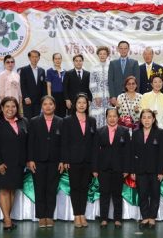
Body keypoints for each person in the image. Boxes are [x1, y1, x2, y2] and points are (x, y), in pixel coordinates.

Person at [0, 97, 28, 231]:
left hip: (18, 164)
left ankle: (8, 218)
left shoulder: (23, 121)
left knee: (12, 191)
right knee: (4, 190)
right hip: (3, 164)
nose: (10, 109)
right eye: (7, 106)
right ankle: (7, 220)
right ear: (2, 108)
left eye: (13, 106)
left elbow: (26, 142)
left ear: (17, 108)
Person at [27, 95, 64, 228]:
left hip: (55, 161)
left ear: (55, 106)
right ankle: (41, 216)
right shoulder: (34, 121)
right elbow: (30, 142)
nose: (48, 106)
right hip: (38, 161)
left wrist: (62, 160)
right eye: (45, 104)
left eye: (50, 104)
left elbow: (64, 143)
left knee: (51, 189)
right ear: (41, 107)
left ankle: (49, 216)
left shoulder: (61, 121)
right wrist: (30, 159)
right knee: (40, 188)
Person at [62, 93, 97, 228]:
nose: (82, 105)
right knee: (75, 188)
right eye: (79, 103)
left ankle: (82, 214)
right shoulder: (68, 120)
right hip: (73, 160)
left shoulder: (92, 120)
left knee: (84, 188)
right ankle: (77, 215)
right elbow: (64, 142)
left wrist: (94, 165)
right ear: (75, 105)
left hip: (87, 161)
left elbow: (94, 144)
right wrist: (65, 160)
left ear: (87, 105)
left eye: (84, 103)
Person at [92, 108, 130, 229]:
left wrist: (126, 169)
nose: (112, 118)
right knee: (104, 194)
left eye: (114, 116)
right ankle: (104, 218)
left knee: (117, 194)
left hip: (119, 168)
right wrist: (95, 169)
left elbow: (128, 152)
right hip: (103, 168)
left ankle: (118, 219)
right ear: (106, 117)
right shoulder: (99, 131)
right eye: (110, 116)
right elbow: (95, 152)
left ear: (118, 117)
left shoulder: (124, 131)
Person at [131, 109, 163, 229]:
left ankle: (152, 218)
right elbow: (132, 153)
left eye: (149, 117)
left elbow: (162, 154)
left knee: (155, 194)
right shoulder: (135, 133)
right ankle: (145, 217)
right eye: (144, 117)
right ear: (140, 119)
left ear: (154, 119)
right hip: (140, 170)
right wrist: (133, 171)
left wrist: (161, 171)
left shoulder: (160, 133)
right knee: (143, 194)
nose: (146, 120)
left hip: (155, 170)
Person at [108, 41, 140, 106]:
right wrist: (112, 96)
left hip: (131, 94)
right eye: (121, 48)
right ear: (118, 49)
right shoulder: (112, 63)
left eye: (125, 48)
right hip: (116, 95)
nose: (123, 50)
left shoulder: (134, 63)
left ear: (128, 49)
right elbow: (110, 81)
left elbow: (137, 80)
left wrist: (136, 95)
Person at [18, 50, 46, 119]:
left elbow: (43, 86)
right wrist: (26, 97)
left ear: (39, 58)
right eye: (33, 57)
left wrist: (44, 99)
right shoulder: (24, 69)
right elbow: (22, 84)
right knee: (28, 119)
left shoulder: (42, 70)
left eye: (36, 57)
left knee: (37, 120)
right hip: (28, 100)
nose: (35, 59)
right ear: (29, 58)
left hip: (38, 101)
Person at [90, 46, 111, 128]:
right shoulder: (94, 67)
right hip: (97, 98)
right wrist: (96, 96)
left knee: (109, 116)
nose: (102, 55)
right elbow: (92, 83)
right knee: (97, 118)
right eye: (100, 54)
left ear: (107, 55)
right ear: (98, 55)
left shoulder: (111, 67)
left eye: (104, 54)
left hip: (108, 97)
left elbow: (112, 82)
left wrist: (111, 95)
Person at [46, 53, 66, 117]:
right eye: (56, 59)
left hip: (63, 96)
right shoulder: (49, 71)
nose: (57, 60)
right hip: (54, 95)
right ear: (53, 60)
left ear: (61, 60)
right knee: (55, 115)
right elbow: (48, 85)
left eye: (59, 59)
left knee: (63, 114)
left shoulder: (65, 71)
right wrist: (50, 97)